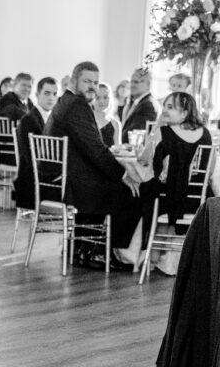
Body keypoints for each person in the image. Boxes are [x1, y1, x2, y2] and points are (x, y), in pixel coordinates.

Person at [45, 61, 141, 269]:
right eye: (87, 81)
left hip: (60, 178)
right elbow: (96, 150)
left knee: (110, 182)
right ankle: (100, 251)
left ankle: (83, 247)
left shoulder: (64, 102)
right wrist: (123, 175)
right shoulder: (77, 106)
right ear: (73, 80)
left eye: (96, 83)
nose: (92, 87)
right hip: (70, 183)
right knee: (132, 193)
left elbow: (90, 149)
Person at [138, 91, 212, 247]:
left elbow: (143, 159)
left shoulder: (164, 132)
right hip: (197, 199)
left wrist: (157, 125)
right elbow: (209, 171)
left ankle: (139, 251)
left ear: (184, 113)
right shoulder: (206, 134)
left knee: (137, 191)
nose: (164, 110)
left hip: (168, 199)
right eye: (164, 106)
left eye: (170, 107)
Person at [14, 77, 58, 210]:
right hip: (34, 182)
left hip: (47, 176)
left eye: (55, 94)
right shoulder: (29, 120)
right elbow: (32, 160)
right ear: (37, 94)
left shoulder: (54, 119)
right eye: (47, 93)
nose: (51, 98)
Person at [121, 67, 159, 139]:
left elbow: (135, 133)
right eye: (131, 81)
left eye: (136, 82)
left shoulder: (148, 106)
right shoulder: (137, 103)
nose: (132, 85)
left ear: (148, 85)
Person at [93, 83, 121, 147]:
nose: (102, 101)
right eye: (97, 98)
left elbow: (118, 150)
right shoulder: (86, 121)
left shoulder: (115, 124)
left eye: (105, 97)